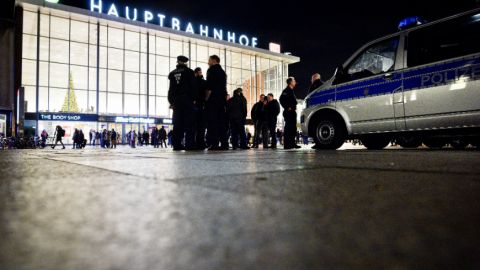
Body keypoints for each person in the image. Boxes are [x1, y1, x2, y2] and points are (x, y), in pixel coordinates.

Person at [168, 55, 197, 151]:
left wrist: (171, 101)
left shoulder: (172, 74)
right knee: (189, 122)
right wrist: (193, 99)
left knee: (177, 123)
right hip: (187, 99)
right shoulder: (189, 72)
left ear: (178, 62)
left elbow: (171, 89)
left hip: (176, 101)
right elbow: (193, 87)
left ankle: (176, 145)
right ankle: (189, 144)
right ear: (186, 63)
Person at [205, 55, 229, 150]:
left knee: (213, 122)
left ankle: (214, 144)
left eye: (209, 60)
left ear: (214, 61)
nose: (208, 62)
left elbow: (209, 87)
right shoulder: (223, 72)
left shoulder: (211, 70)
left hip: (213, 100)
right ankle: (224, 144)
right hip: (221, 101)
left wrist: (206, 99)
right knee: (222, 123)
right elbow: (224, 88)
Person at [280, 77, 301, 149]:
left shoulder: (291, 90)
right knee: (288, 128)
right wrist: (287, 107)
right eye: (294, 81)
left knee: (293, 128)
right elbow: (281, 99)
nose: (295, 82)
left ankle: (292, 144)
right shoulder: (286, 90)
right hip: (289, 112)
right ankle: (287, 145)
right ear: (290, 82)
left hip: (292, 112)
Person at [193, 67, 208, 150]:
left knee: (193, 126)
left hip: (194, 106)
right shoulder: (203, 82)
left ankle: (193, 143)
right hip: (202, 105)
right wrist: (205, 100)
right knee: (201, 126)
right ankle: (201, 143)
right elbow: (208, 92)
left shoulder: (192, 81)